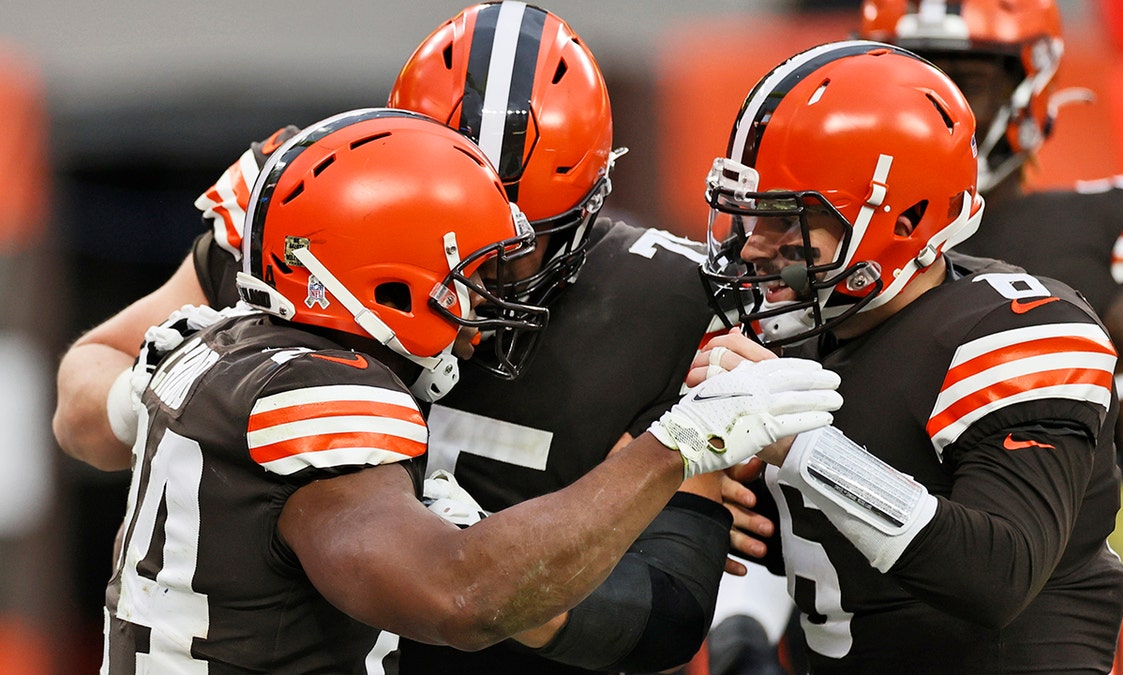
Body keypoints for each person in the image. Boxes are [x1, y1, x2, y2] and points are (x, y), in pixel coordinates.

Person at [55, 3, 748, 672]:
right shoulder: (313, 208)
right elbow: (87, 398)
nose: (490, 285)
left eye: (515, 249)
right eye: (458, 243)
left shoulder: (672, 300)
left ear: (588, 203)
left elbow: (669, 613)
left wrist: (672, 479)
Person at [693, 41, 1123, 672]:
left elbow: (997, 574)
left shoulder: (1019, 333)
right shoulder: (790, 324)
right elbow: (782, 534)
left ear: (905, 220)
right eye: (749, 215)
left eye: (789, 222)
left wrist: (799, 440)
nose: (756, 248)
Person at [860, 2, 1123, 672]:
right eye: (917, 74)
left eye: (966, 78)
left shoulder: (1100, 244)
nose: (938, 105)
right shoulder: (808, 247)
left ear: (1030, 83)